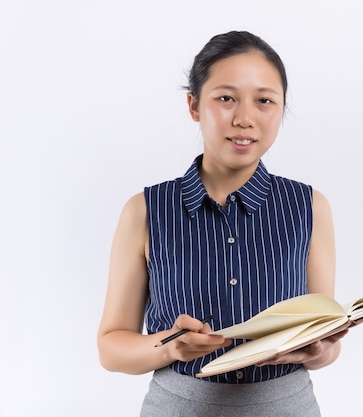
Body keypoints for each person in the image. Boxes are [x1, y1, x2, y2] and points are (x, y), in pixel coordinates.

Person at [97, 30, 346, 416]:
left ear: (281, 108)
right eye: (226, 98)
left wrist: (319, 349)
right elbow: (111, 348)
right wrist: (171, 345)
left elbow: (326, 341)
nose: (244, 118)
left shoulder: (310, 206)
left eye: (264, 100)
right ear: (194, 105)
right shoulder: (145, 210)